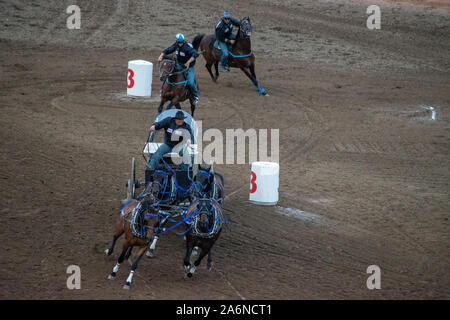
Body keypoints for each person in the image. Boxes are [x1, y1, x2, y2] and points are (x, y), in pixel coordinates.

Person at [145, 111, 194, 185]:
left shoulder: (186, 126)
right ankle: (150, 170)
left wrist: (189, 140)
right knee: (158, 153)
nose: (181, 121)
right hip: (168, 145)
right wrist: (154, 126)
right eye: (179, 120)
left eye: (182, 120)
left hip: (179, 146)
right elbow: (159, 124)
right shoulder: (168, 121)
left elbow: (190, 135)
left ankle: (184, 174)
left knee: (185, 155)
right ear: (175, 119)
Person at [158, 33, 199, 105]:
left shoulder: (187, 47)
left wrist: (188, 62)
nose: (179, 43)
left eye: (179, 42)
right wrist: (161, 55)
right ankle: (163, 90)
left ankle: (195, 96)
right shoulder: (176, 45)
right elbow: (169, 50)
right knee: (168, 74)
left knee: (191, 82)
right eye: (178, 42)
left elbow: (195, 54)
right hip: (179, 64)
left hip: (188, 67)